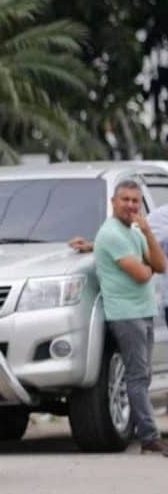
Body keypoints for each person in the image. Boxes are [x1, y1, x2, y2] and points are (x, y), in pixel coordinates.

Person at [93, 179, 168, 454]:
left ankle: (145, 431)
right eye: (125, 200)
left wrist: (147, 233)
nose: (131, 205)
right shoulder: (111, 233)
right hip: (126, 314)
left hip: (144, 311)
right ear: (114, 202)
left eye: (135, 201)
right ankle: (149, 437)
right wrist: (148, 267)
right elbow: (141, 274)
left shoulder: (135, 232)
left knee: (142, 376)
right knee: (137, 377)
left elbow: (160, 265)